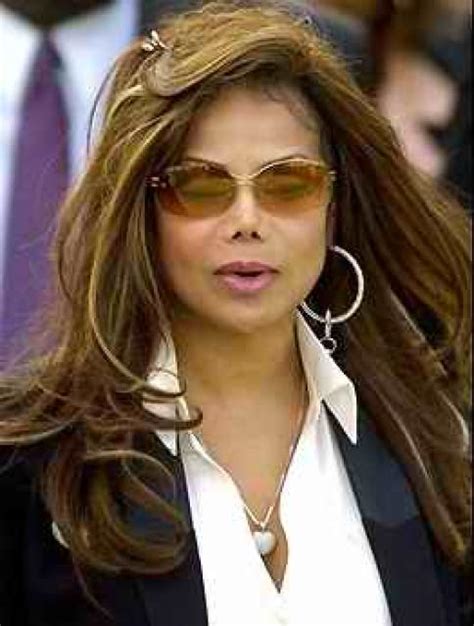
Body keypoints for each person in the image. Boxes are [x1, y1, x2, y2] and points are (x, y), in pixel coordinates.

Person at [0, 1, 471, 625]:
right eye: (201, 186)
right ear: (143, 212)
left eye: (289, 183)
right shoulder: (33, 467)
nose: (247, 220)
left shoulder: (430, 434)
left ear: (333, 207)